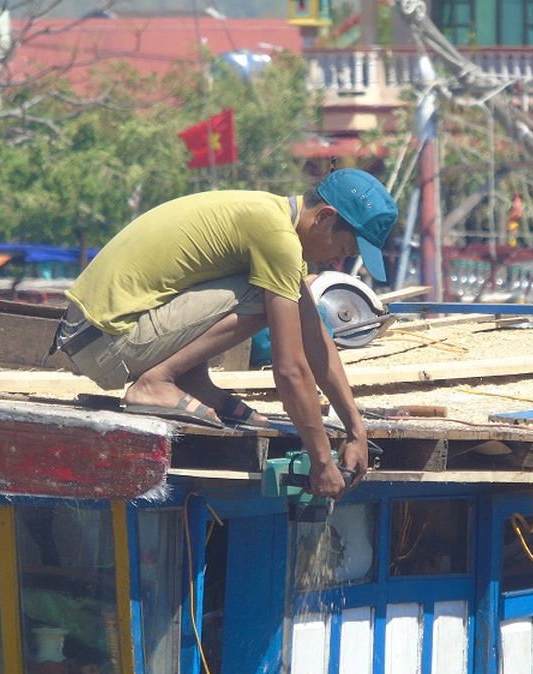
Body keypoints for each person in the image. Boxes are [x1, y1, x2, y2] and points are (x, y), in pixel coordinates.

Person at [54, 169, 398, 499]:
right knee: (265, 294)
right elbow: (290, 369)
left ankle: (191, 381)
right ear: (324, 217)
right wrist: (321, 461)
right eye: (344, 250)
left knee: (282, 292)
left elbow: (316, 338)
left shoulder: (272, 218)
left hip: (93, 335)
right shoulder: (277, 239)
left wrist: (356, 430)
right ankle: (155, 384)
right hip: (105, 343)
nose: (337, 262)